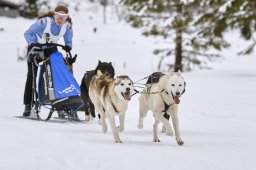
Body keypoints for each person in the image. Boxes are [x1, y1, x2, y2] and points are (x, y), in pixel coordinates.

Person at [23, 5, 73, 117]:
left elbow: (68, 39)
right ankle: (28, 104)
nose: (60, 19)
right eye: (58, 16)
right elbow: (27, 33)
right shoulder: (44, 23)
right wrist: (32, 43)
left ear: (66, 18)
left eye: (63, 17)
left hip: (51, 49)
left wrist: (68, 46)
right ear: (54, 15)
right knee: (32, 76)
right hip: (36, 48)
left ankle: (60, 105)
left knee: (57, 75)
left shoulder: (67, 26)